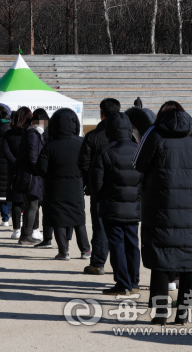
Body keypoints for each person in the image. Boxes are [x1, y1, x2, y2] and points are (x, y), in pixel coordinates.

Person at [133, 101, 192, 325]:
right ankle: (183, 314)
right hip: (190, 208)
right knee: (187, 258)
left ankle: (160, 315)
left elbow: (138, 163)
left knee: (161, 260)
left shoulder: (154, 133)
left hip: (159, 207)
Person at [90, 112, 142, 295]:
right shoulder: (139, 149)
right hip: (134, 206)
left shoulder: (104, 151)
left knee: (117, 245)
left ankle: (123, 283)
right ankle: (134, 282)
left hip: (112, 206)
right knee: (132, 244)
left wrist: (101, 199)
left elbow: (95, 183)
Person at [37, 108, 91, 259]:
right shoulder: (81, 142)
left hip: (55, 187)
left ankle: (63, 251)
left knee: (58, 219)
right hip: (76, 185)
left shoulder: (50, 146)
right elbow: (88, 164)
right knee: (79, 219)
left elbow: (41, 169)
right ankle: (85, 250)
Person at [79, 98, 120, 275]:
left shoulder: (92, 136)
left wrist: (90, 182)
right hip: (123, 189)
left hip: (99, 189)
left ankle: (98, 262)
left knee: (100, 226)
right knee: (122, 228)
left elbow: (84, 164)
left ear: (101, 114)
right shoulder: (127, 137)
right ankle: (120, 265)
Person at [12, 107, 46, 245]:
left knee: (29, 206)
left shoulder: (29, 134)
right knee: (32, 206)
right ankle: (26, 235)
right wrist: (39, 170)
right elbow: (33, 157)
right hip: (31, 176)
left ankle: (25, 234)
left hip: (27, 175)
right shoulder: (32, 135)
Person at [2, 110, 28, 239]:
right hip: (29, 170)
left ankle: (16, 229)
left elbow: (6, 152)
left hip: (13, 170)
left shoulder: (8, 134)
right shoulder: (30, 134)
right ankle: (33, 228)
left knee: (16, 201)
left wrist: (15, 162)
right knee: (30, 200)